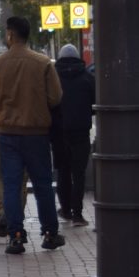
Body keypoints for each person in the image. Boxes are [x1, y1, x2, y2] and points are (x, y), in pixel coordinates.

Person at [0, 16, 65, 255]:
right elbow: (55, 97)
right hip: (37, 134)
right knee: (43, 185)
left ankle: (15, 235)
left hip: (7, 134)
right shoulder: (43, 63)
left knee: (11, 185)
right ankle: (50, 232)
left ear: (10, 35)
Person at [53, 44, 94, 227]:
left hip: (59, 132)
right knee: (79, 174)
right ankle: (78, 214)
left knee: (62, 171)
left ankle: (66, 209)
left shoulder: (53, 77)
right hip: (81, 132)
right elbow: (95, 102)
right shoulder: (87, 77)